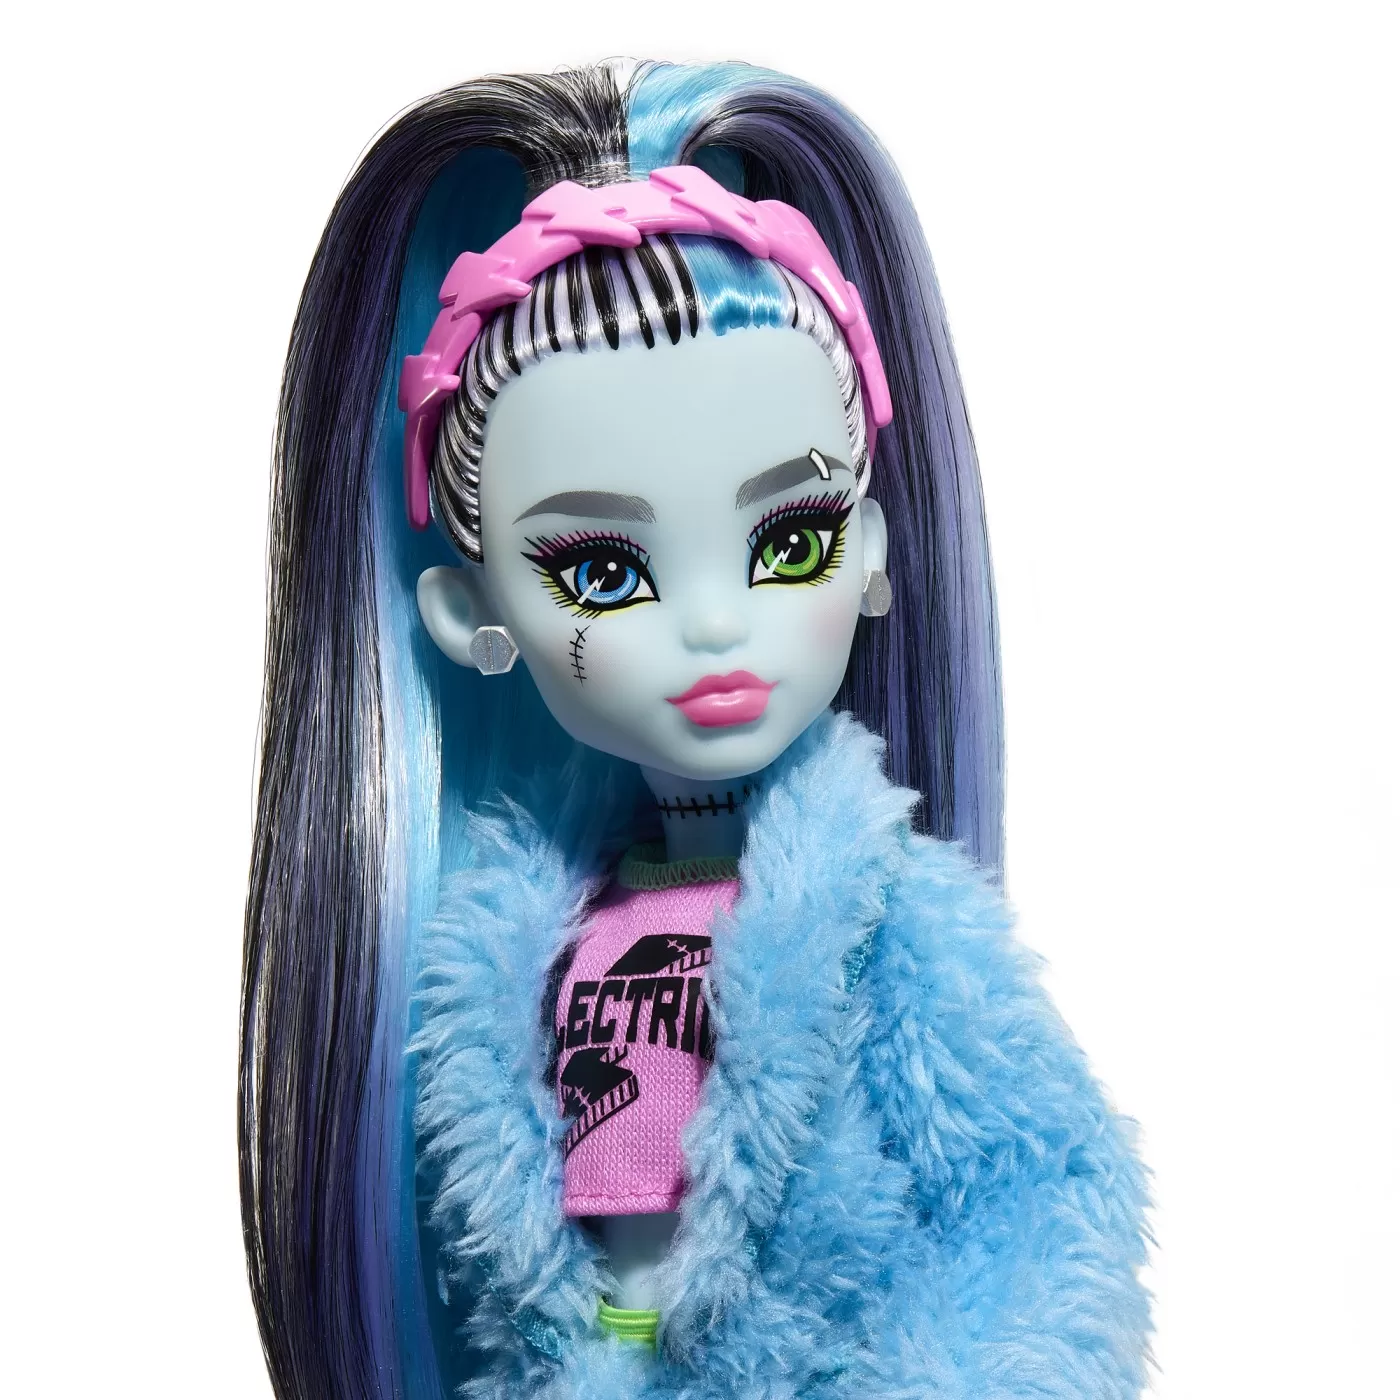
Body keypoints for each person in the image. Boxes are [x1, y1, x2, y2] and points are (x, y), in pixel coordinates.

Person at [241, 59, 1151, 1399]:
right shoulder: (493, 964)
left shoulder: (889, 920)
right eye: (605, 573)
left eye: (790, 542)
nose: (718, 626)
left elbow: (1043, 1196)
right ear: (470, 615)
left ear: (872, 552)